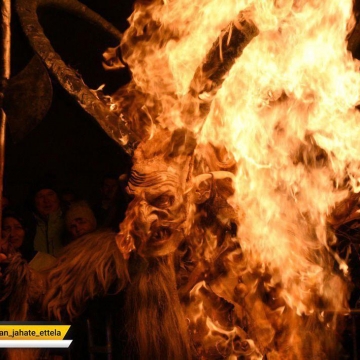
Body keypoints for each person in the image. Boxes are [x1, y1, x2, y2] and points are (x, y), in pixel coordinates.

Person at [30, 180, 66, 257]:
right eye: (40, 196)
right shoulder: (29, 226)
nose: (46, 200)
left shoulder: (69, 223)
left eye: (50, 194)